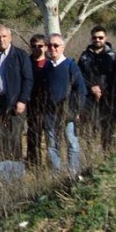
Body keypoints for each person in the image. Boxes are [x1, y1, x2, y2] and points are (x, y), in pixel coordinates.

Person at [42, 34, 86, 177]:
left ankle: (73, 174)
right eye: (50, 46)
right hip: (50, 113)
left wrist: (74, 110)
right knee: (51, 146)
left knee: (71, 143)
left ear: (63, 47)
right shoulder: (47, 66)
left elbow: (80, 90)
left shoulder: (70, 65)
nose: (52, 48)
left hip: (67, 113)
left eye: (56, 45)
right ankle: (57, 175)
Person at [0, 25, 33, 160]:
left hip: (14, 102)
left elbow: (28, 79)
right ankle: (1, 165)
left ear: (10, 37)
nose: (1, 39)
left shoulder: (20, 55)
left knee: (14, 137)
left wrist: (22, 100)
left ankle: (16, 167)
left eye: (4, 36)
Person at [78, 25, 116, 152]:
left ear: (105, 38)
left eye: (100, 37)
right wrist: (91, 87)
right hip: (89, 98)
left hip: (108, 97)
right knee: (87, 129)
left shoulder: (112, 56)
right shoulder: (84, 56)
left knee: (108, 128)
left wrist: (102, 89)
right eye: (95, 37)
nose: (97, 40)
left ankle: (108, 155)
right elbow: (79, 75)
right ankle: (88, 155)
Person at [26, 33, 48, 166]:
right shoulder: (26, 63)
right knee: (33, 136)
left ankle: (52, 165)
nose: (37, 48)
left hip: (49, 105)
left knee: (51, 137)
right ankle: (34, 164)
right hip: (32, 104)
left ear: (46, 47)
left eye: (40, 45)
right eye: (34, 46)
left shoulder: (51, 63)